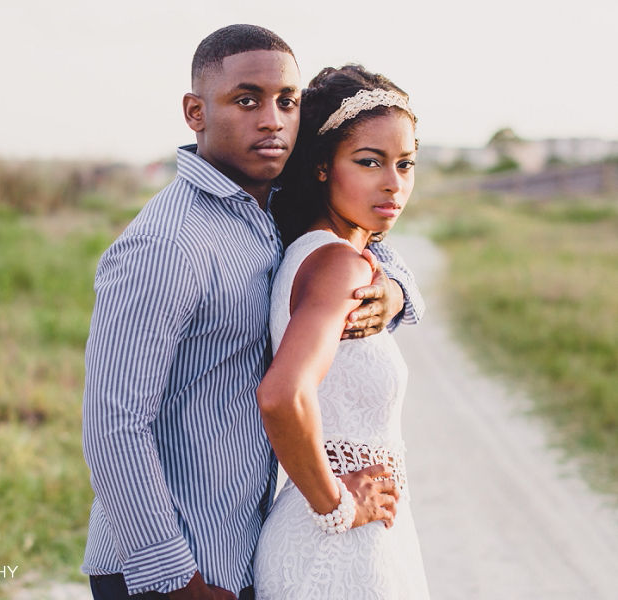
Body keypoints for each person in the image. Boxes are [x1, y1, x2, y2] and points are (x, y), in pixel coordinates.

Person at [82, 26, 424, 600]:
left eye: (287, 101)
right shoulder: (170, 243)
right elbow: (114, 424)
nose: (272, 120)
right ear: (195, 111)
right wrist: (176, 579)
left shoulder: (263, 212)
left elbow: (357, 241)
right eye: (246, 100)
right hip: (170, 570)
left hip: (240, 554)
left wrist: (397, 291)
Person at [252, 65, 430, 599]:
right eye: (369, 161)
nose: (393, 183)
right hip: (335, 548)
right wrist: (338, 508)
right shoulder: (338, 266)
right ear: (324, 167)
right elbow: (282, 395)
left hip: (347, 539)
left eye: (405, 164)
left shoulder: (322, 253)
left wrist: (399, 290)